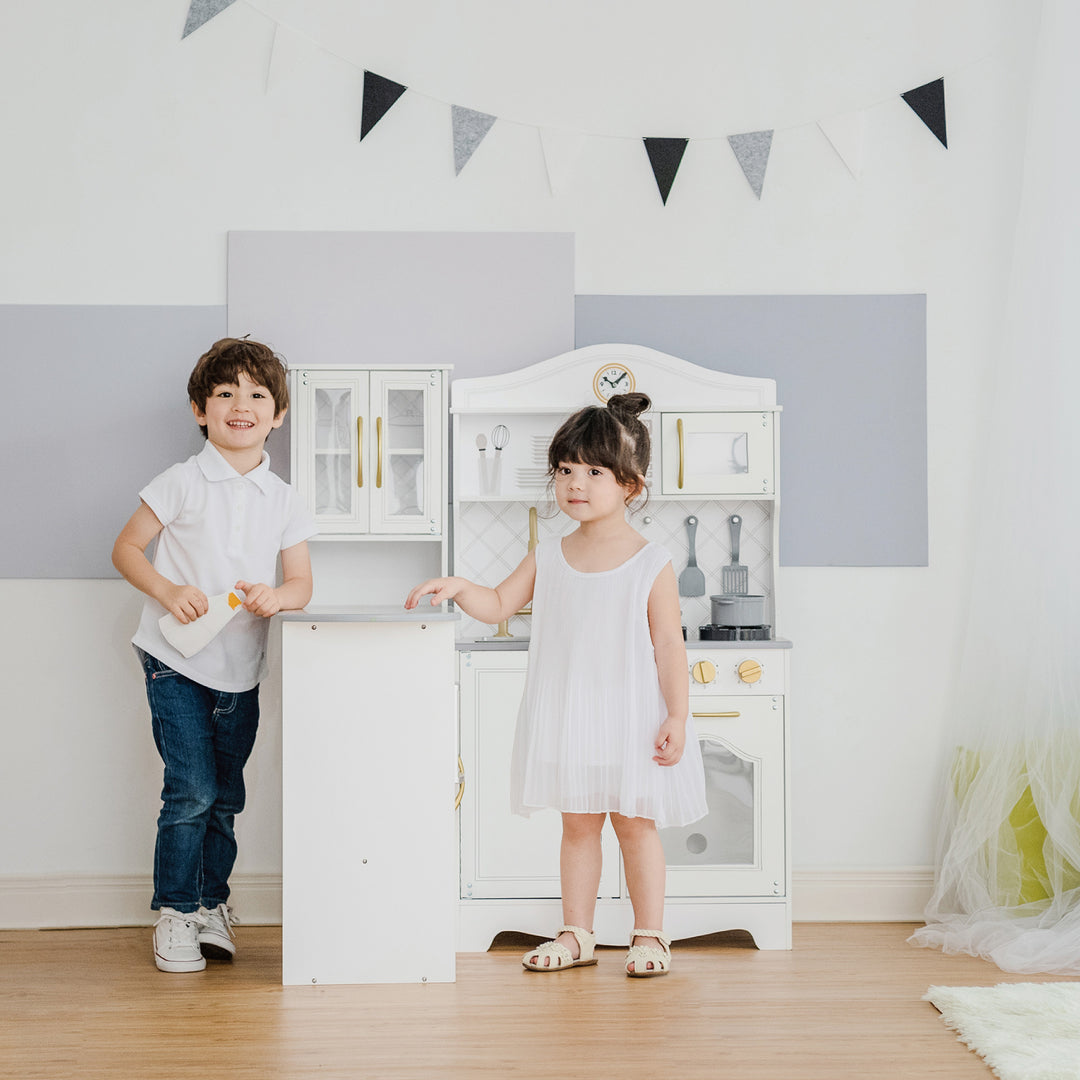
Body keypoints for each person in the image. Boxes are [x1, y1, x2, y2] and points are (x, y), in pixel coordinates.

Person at [406, 392, 706, 977]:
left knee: (636, 827)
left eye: (594, 472)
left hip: (633, 715)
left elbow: (670, 643)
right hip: (572, 714)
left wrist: (676, 715)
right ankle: (578, 934)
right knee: (577, 826)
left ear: (630, 486)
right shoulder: (550, 553)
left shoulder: (652, 561)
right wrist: (459, 585)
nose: (576, 483)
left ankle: (650, 936)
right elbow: (497, 603)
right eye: (566, 470)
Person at [113, 337, 316, 973]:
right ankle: (175, 914)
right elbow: (126, 550)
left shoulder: (284, 499)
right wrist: (169, 591)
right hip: (173, 659)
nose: (241, 404)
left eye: (257, 394)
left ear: (277, 415)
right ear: (201, 409)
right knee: (191, 790)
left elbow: (301, 584)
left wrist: (273, 597)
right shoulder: (180, 482)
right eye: (225, 392)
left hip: (241, 670)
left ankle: (210, 905)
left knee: (225, 798)